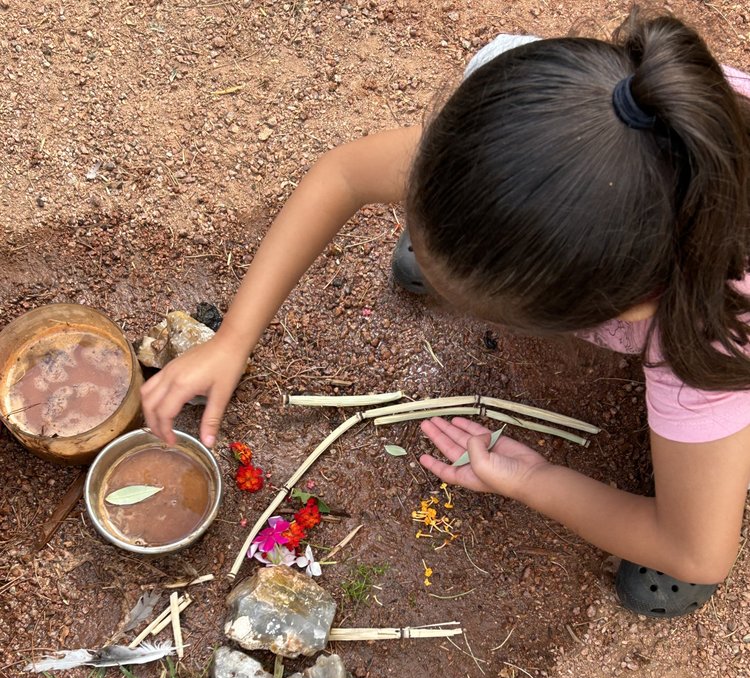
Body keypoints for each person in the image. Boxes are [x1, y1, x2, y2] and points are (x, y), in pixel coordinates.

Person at [141, 11, 750, 619]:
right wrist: (233, 337)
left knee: (685, 539)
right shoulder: (519, 94)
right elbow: (346, 172)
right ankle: (469, 245)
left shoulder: (711, 334)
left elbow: (698, 553)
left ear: (631, 307)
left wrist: (533, 481)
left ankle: (701, 477)